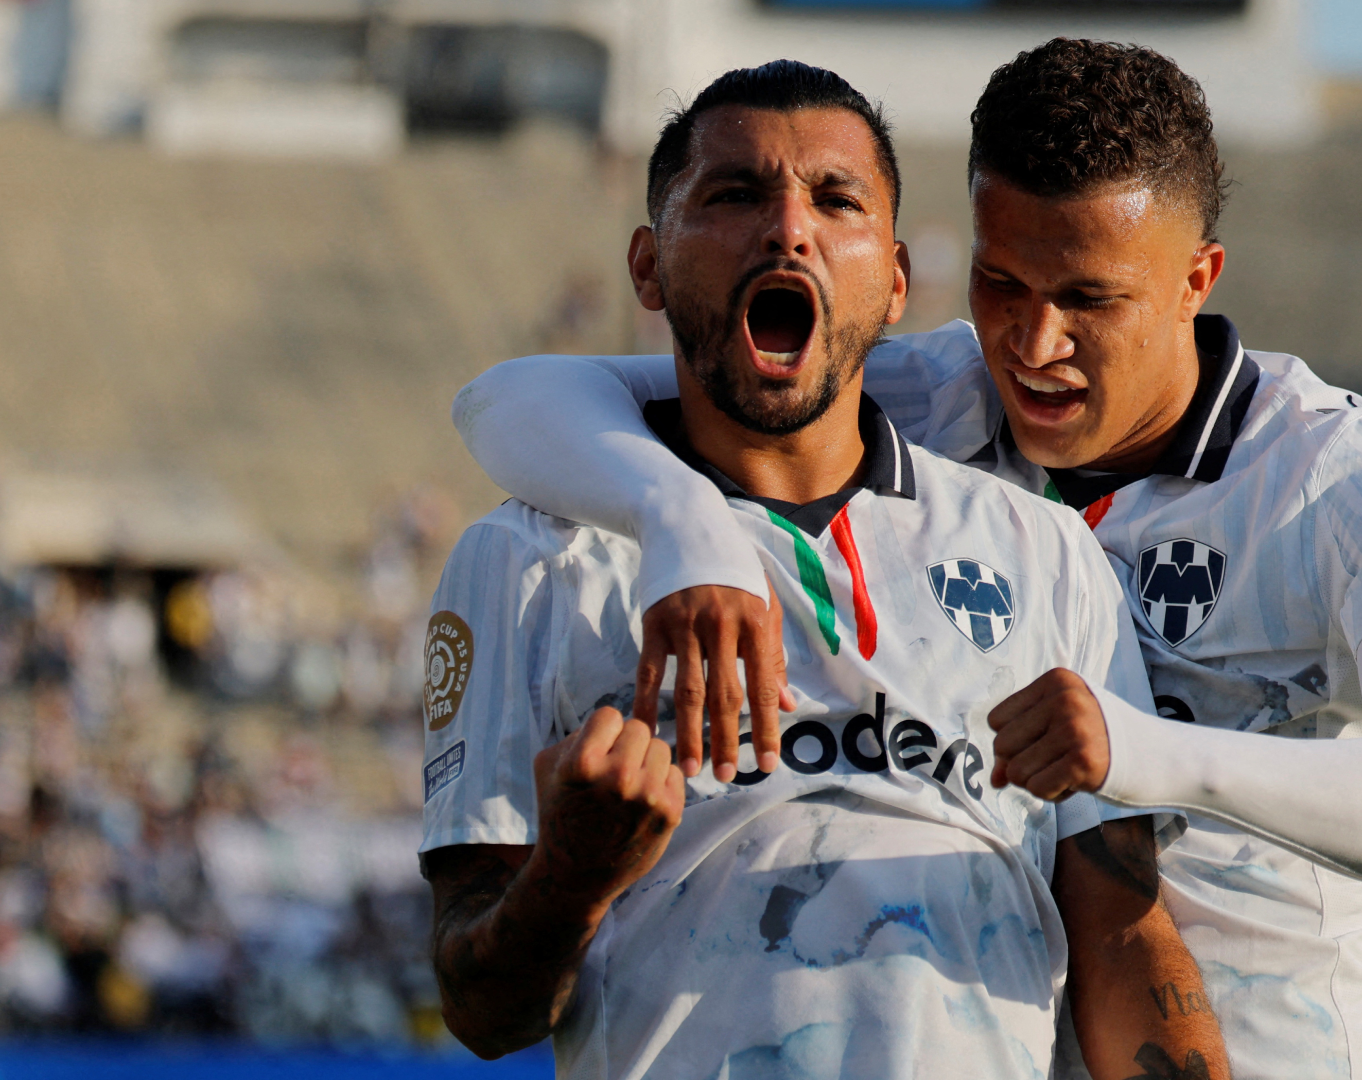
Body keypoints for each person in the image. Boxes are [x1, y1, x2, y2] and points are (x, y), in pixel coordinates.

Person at [454, 40, 1362, 1080]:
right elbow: (515, 398)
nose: (1033, 342)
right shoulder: (917, 402)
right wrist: (679, 518)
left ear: (1197, 278)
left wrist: (1138, 752)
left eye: (1089, 301)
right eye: (1001, 284)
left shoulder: (1350, 475)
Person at [418, 60, 1228, 1080]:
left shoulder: (1042, 549)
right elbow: (480, 1009)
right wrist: (574, 872)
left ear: (893, 279)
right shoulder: (530, 560)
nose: (788, 229)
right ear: (649, 267)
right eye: (734, 195)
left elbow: (1122, 932)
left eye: (834, 199)